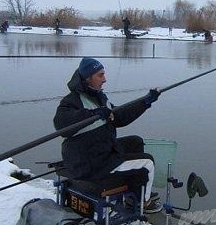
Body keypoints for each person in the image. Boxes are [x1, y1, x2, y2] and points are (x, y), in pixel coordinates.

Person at [53, 57, 162, 213]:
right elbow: (61, 125)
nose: (105, 79)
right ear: (87, 78)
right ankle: (143, 203)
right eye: (100, 75)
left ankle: (134, 191)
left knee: (135, 142)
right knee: (148, 162)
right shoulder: (72, 101)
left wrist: (145, 102)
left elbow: (119, 116)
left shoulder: (99, 97)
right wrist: (92, 114)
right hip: (88, 163)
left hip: (99, 151)